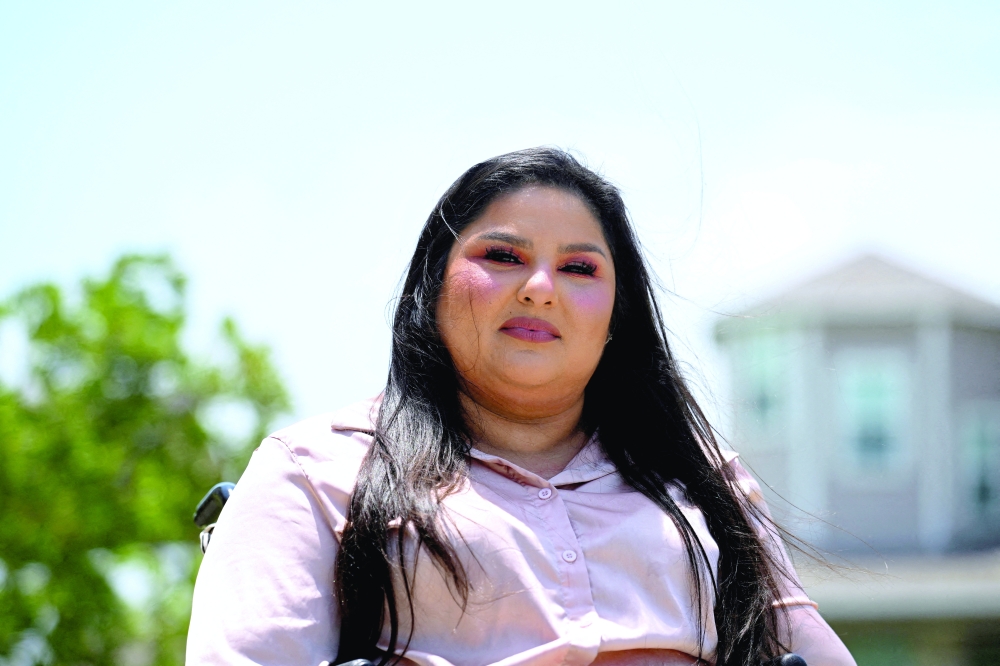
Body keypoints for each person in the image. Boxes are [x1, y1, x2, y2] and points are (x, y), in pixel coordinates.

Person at [186, 148, 856, 666]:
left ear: (617, 316)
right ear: (432, 288)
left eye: (580, 268)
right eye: (502, 256)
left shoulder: (705, 481)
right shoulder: (311, 475)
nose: (540, 289)